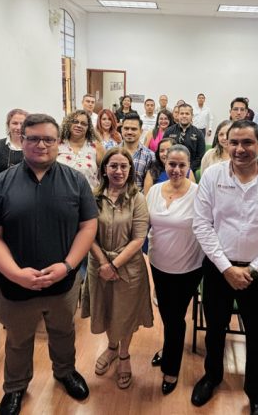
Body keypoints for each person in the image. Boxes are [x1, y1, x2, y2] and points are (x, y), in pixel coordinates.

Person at [0, 113, 98, 415]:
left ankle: (65, 371)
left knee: (63, 331)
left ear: (59, 142)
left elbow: (88, 227)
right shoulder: (1, 184)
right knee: (18, 339)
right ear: (22, 140)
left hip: (63, 281)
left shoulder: (76, 181)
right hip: (15, 284)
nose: (41, 144)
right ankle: (15, 387)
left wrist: (68, 266)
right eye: (33, 138)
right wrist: (15, 273)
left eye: (48, 139)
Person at [191, 120, 258, 415]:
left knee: (257, 334)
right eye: (234, 142)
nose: (240, 149)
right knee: (214, 329)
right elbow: (202, 224)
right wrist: (226, 268)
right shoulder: (212, 176)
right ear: (225, 143)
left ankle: (256, 392)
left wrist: (253, 269)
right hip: (217, 269)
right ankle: (212, 376)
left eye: (247, 142)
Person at [81, 148, 153, 390]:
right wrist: (103, 263)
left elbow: (139, 238)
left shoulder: (138, 198)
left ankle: (124, 355)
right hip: (98, 265)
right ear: (104, 169)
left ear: (131, 170)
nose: (119, 171)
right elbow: (87, 233)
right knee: (107, 309)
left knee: (125, 313)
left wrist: (114, 265)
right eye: (113, 166)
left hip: (128, 267)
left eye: (124, 166)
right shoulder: (92, 196)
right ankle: (111, 347)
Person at [146, 145, 203, 395]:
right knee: (167, 314)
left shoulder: (199, 194)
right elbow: (145, 224)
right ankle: (169, 349)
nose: (176, 169)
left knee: (175, 317)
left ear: (189, 165)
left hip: (188, 267)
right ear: (164, 163)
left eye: (182, 165)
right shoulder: (155, 190)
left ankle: (172, 367)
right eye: (172, 164)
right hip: (158, 264)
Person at [57, 110, 104, 190]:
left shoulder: (96, 146)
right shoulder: (57, 144)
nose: (79, 125)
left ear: (88, 127)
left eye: (83, 124)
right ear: (68, 124)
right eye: (75, 122)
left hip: (90, 196)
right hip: (61, 196)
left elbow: (106, 171)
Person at [163, 103, 205, 172]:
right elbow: (164, 152)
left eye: (187, 114)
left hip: (189, 171)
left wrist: (187, 169)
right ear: (178, 115)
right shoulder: (169, 131)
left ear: (192, 116)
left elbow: (200, 157)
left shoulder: (199, 134)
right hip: (170, 170)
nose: (184, 116)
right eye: (182, 113)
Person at [120, 113, 155, 192]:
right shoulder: (112, 153)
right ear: (121, 130)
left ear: (141, 131)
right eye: (126, 128)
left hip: (139, 202)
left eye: (134, 129)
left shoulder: (150, 156)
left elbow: (149, 186)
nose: (129, 132)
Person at [0, 108, 28, 173]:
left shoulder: (32, 146)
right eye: (15, 123)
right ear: (8, 125)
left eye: (22, 124)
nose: (18, 127)